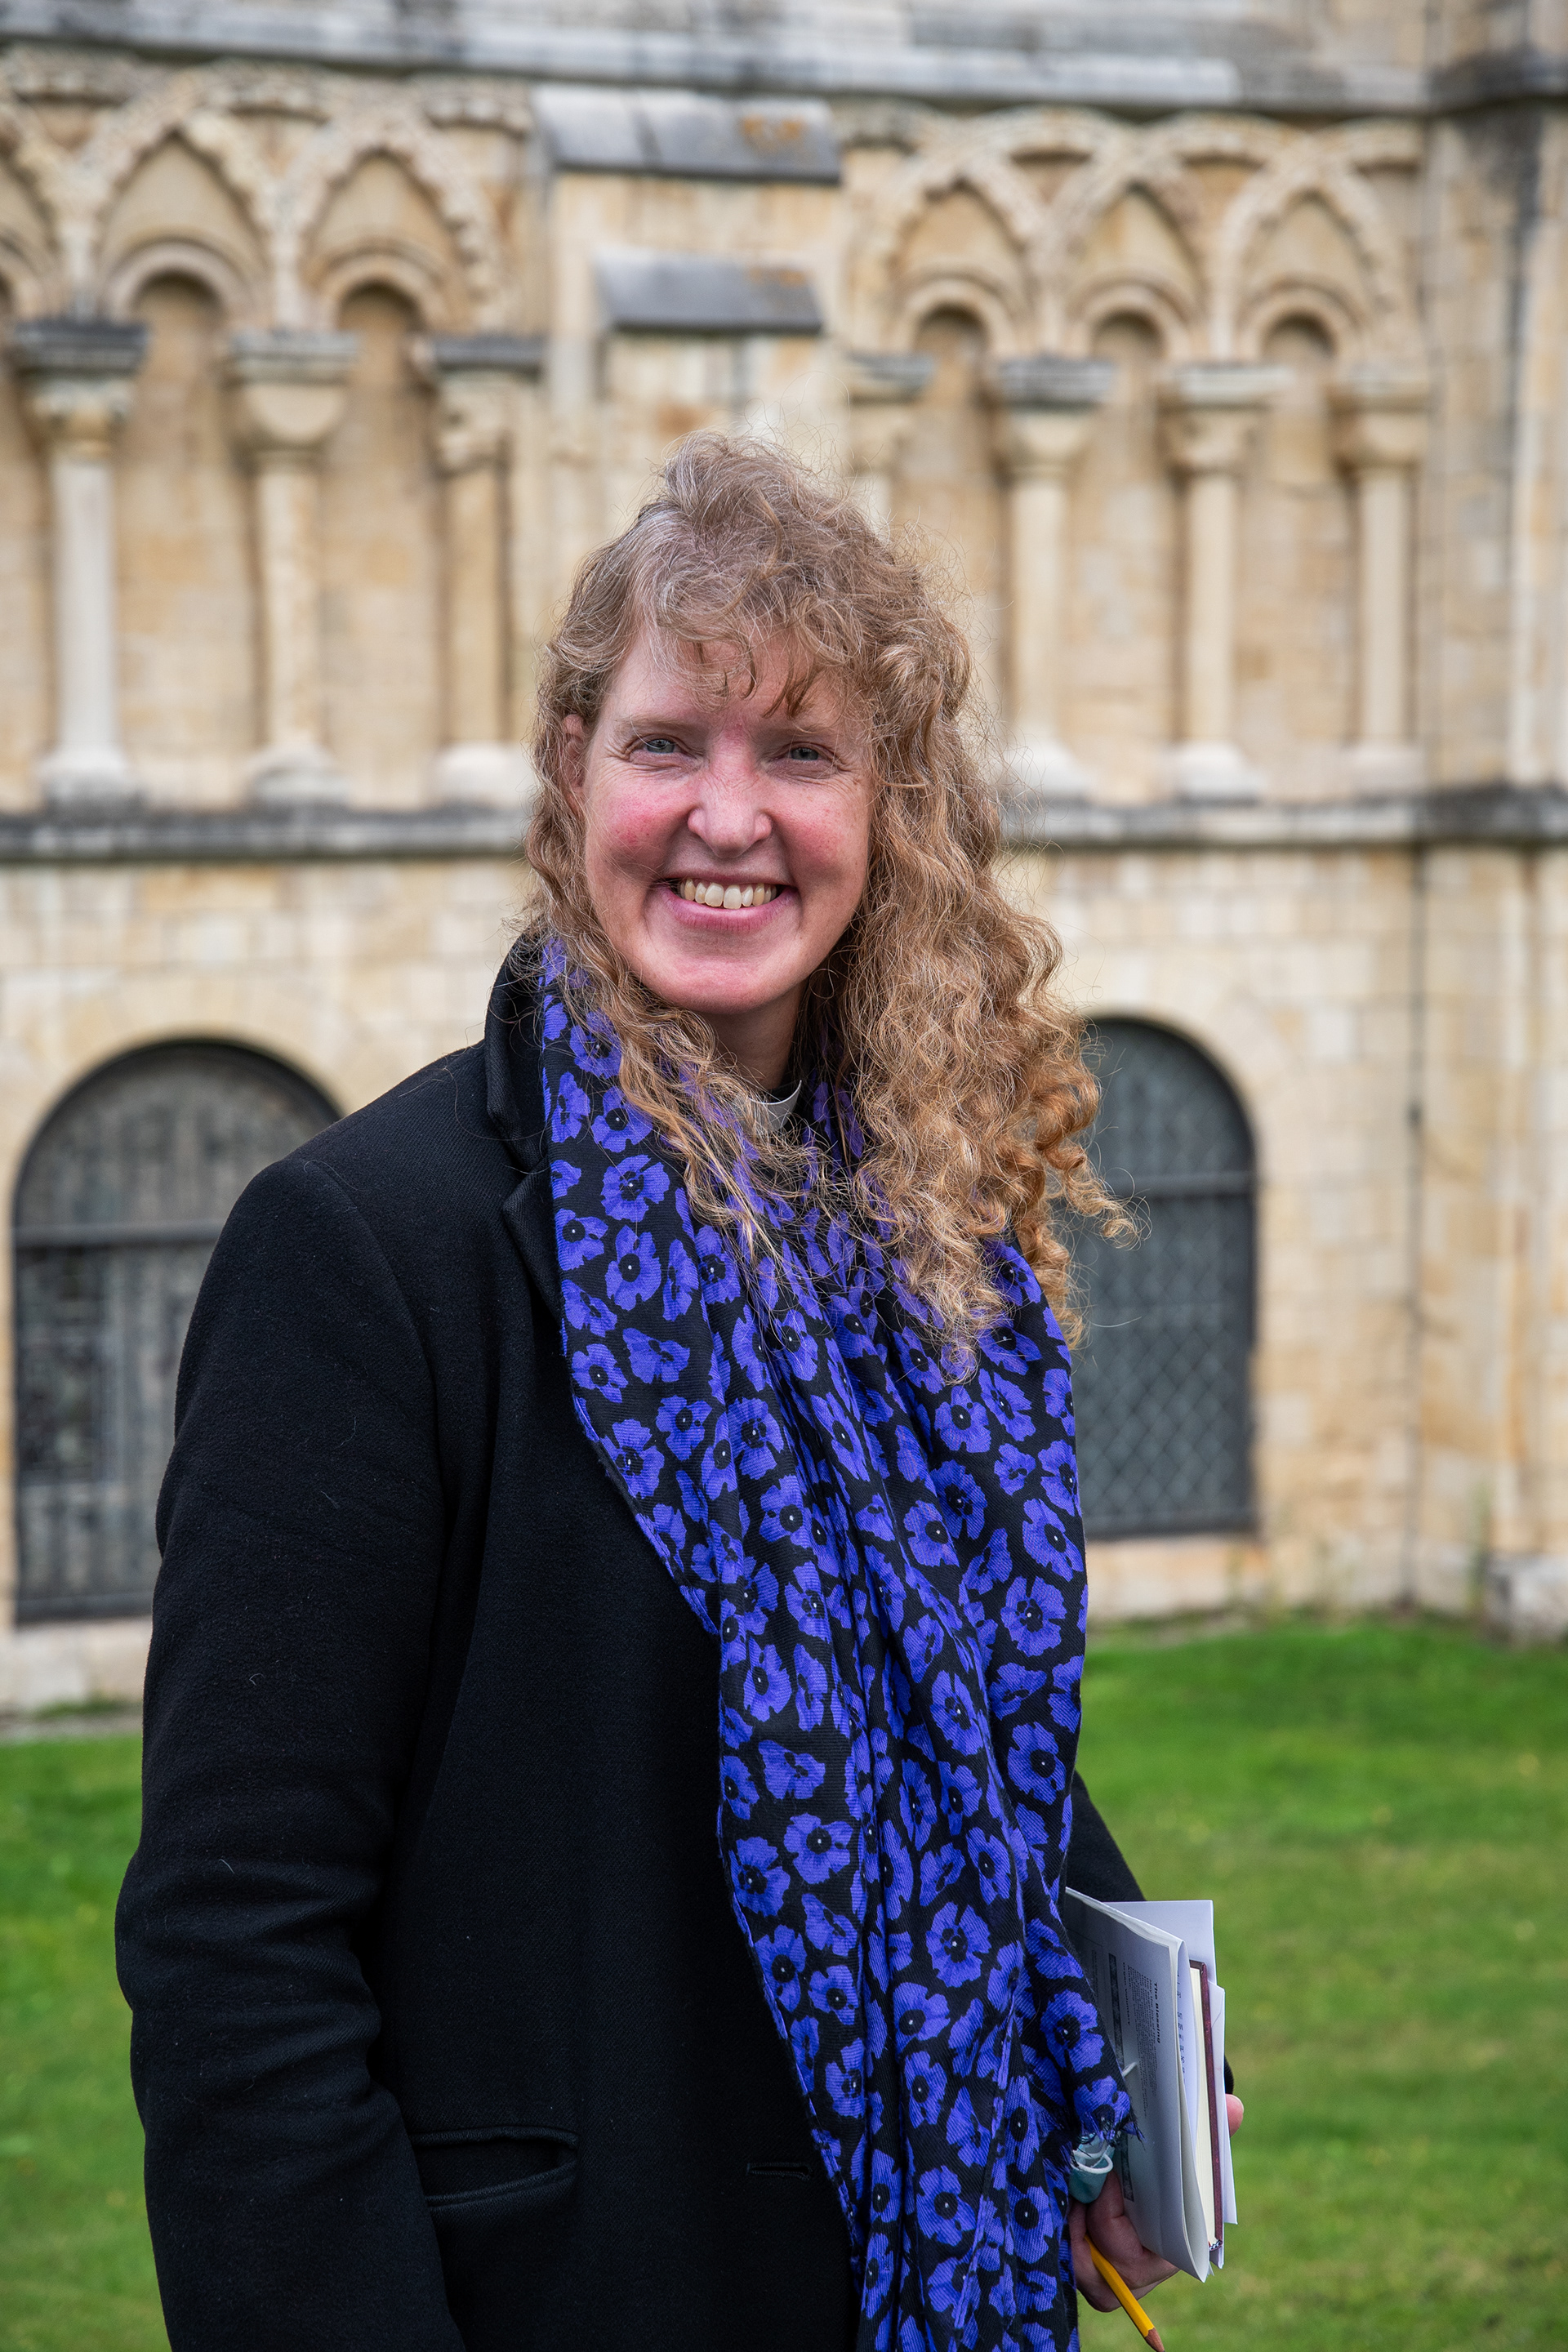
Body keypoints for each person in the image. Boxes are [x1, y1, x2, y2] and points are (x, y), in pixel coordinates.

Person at [117, 434, 1212, 2351]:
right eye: (667, 744)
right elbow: (239, 1951)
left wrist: (1095, 2040)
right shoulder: (371, 1252)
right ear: (570, 777)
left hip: (926, 2270)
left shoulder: (925, 1232)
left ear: (892, 810)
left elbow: (939, 1693)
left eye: (802, 753)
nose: (732, 817)